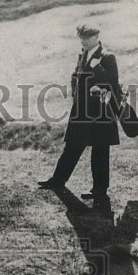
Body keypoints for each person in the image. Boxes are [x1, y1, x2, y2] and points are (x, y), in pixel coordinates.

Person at [38, 23, 122, 202]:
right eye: (81, 37)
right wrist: (75, 93)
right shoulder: (82, 54)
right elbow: (75, 76)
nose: (83, 40)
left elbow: (112, 82)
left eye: (87, 37)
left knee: (100, 151)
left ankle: (99, 190)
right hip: (82, 110)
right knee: (72, 147)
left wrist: (97, 67)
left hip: (100, 111)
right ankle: (58, 180)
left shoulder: (107, 56)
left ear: (97, 36)